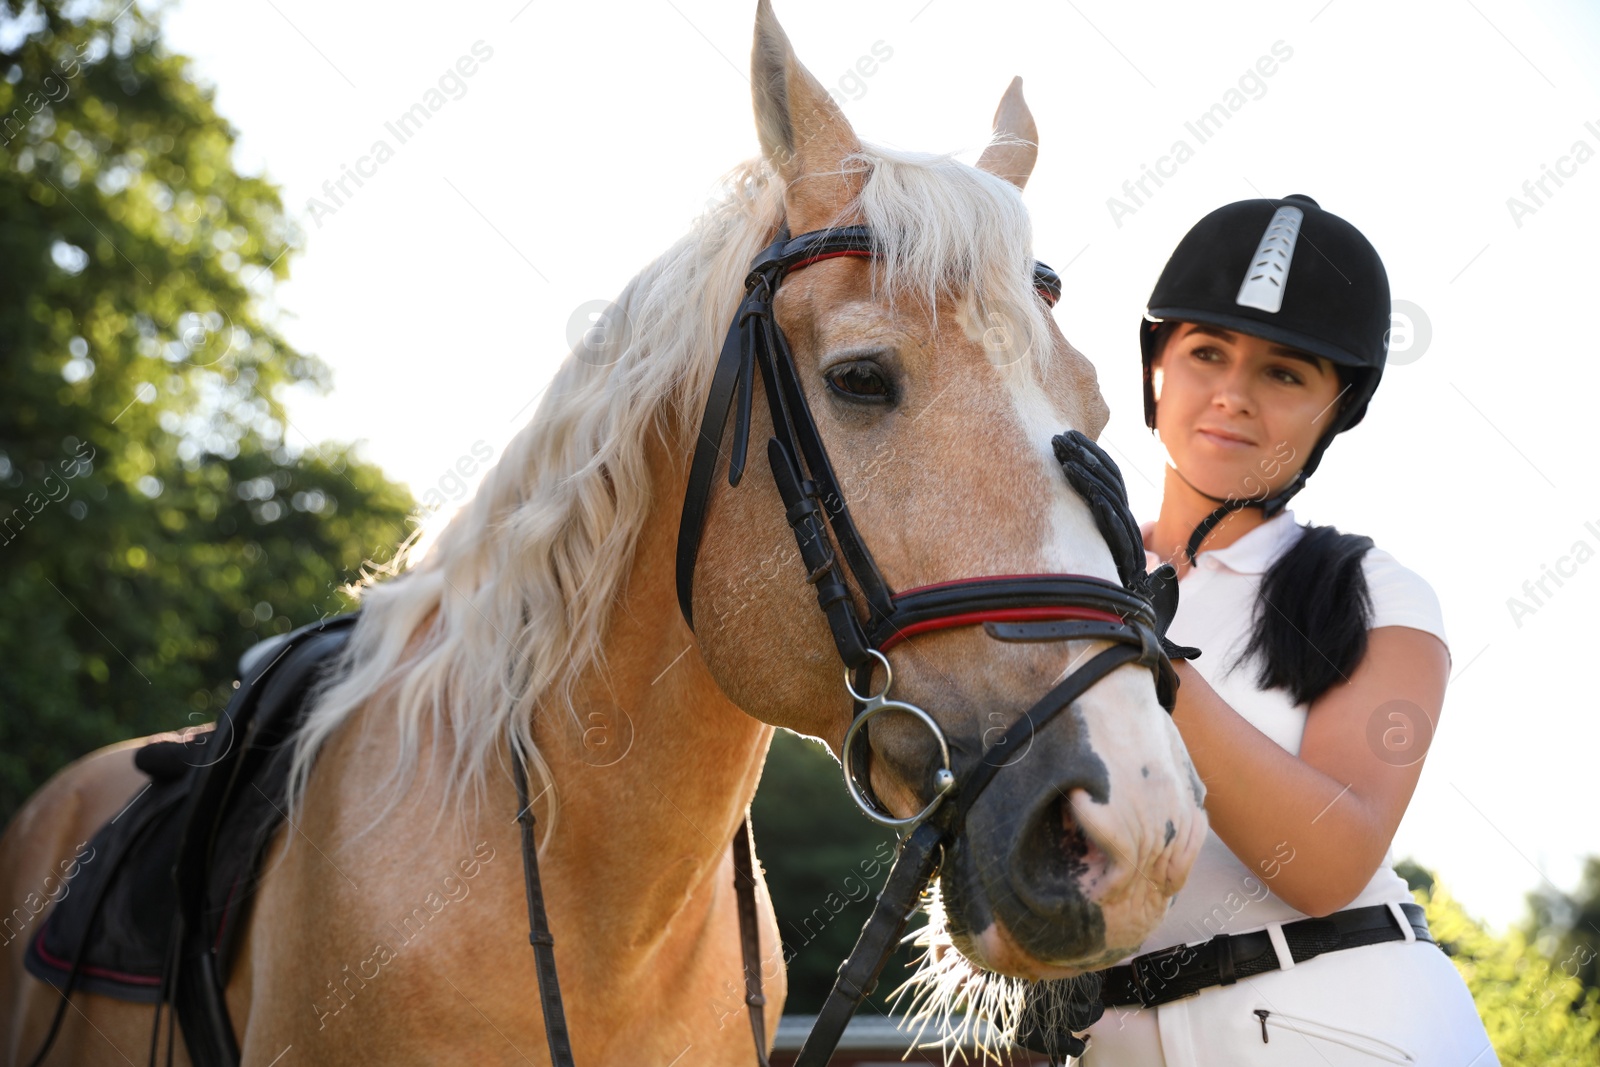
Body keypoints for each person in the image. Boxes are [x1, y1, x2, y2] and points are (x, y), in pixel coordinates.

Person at [1023, 195, 1499, 1066]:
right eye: (1206, 353)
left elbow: (1327, 864)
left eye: (1286, 373)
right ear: (1155, 365)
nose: (1234, 396)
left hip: (1340, 1021)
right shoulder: (1061, 574)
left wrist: (1145, 650)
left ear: (1335, 407)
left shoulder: (1378, 592)